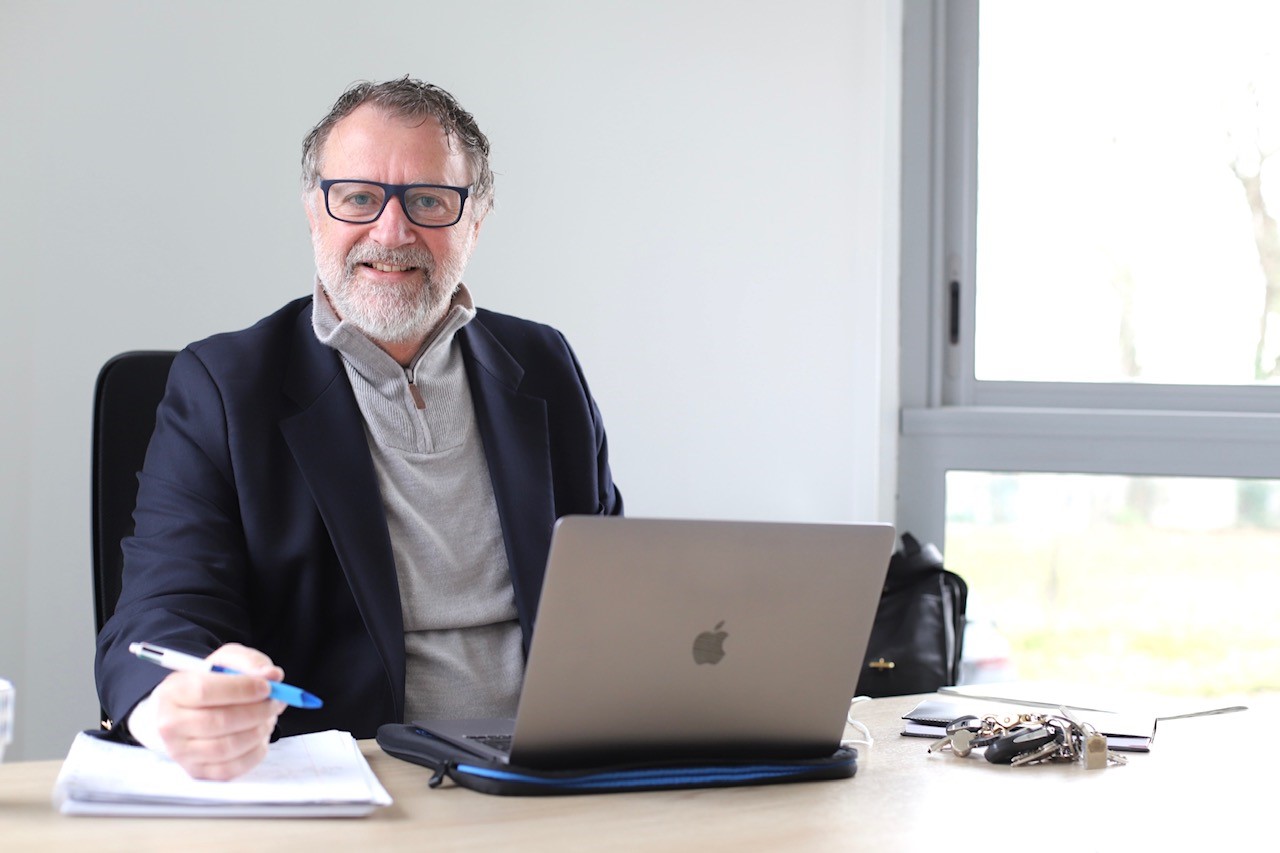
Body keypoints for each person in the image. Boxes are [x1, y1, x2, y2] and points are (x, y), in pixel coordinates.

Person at [94, 77, 622, 780]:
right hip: (360, 780)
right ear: (316, 209)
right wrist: (174, 707)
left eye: (429, 201)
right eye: (358, 197)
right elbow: (159, 613)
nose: (392, 232)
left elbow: (614, 595)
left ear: (477, 218)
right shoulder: (223, 387)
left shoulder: (544, 364)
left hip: (556, 778)